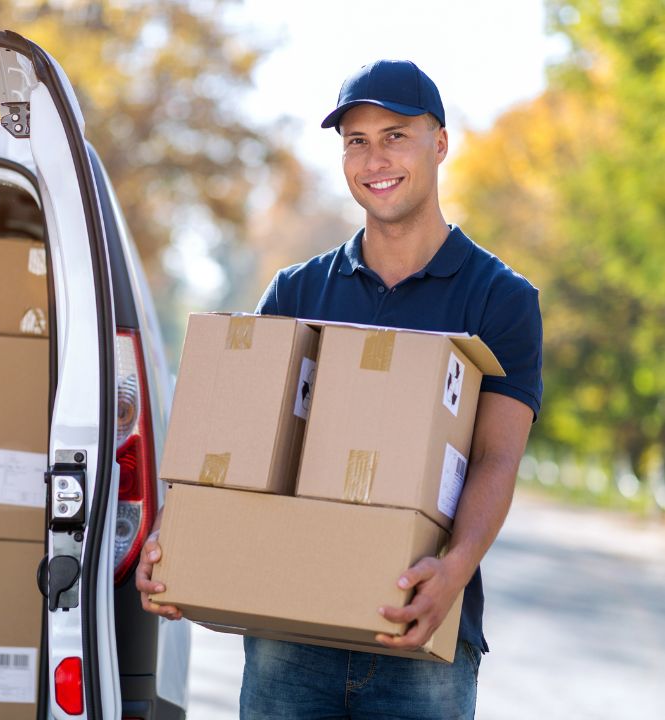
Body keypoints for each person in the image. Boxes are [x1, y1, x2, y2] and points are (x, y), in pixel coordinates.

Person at [135, 59, 543, 719]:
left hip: (419, 628)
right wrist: (177, 541)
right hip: (288, 636)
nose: (373, 158)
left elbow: (497, 456)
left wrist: (455, 569)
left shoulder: (498, 299)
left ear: (439, 143)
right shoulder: (296, 294)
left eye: (394, 136)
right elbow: (231, 445)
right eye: (355, 141)